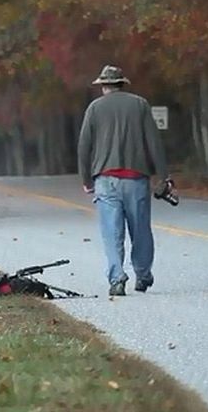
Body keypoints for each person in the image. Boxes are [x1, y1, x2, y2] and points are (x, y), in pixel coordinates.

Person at [77, 65, 172, 296]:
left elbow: (84, 146)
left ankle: (117, 278)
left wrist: (86, 179)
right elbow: (154, 143)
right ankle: (143, 274)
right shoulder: (140, 104)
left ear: (103, 86)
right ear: (121, 83)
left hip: (105, 179)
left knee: (111, 231)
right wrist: (164, 176)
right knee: (140, 229)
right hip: (136, 178)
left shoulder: (95, 108)